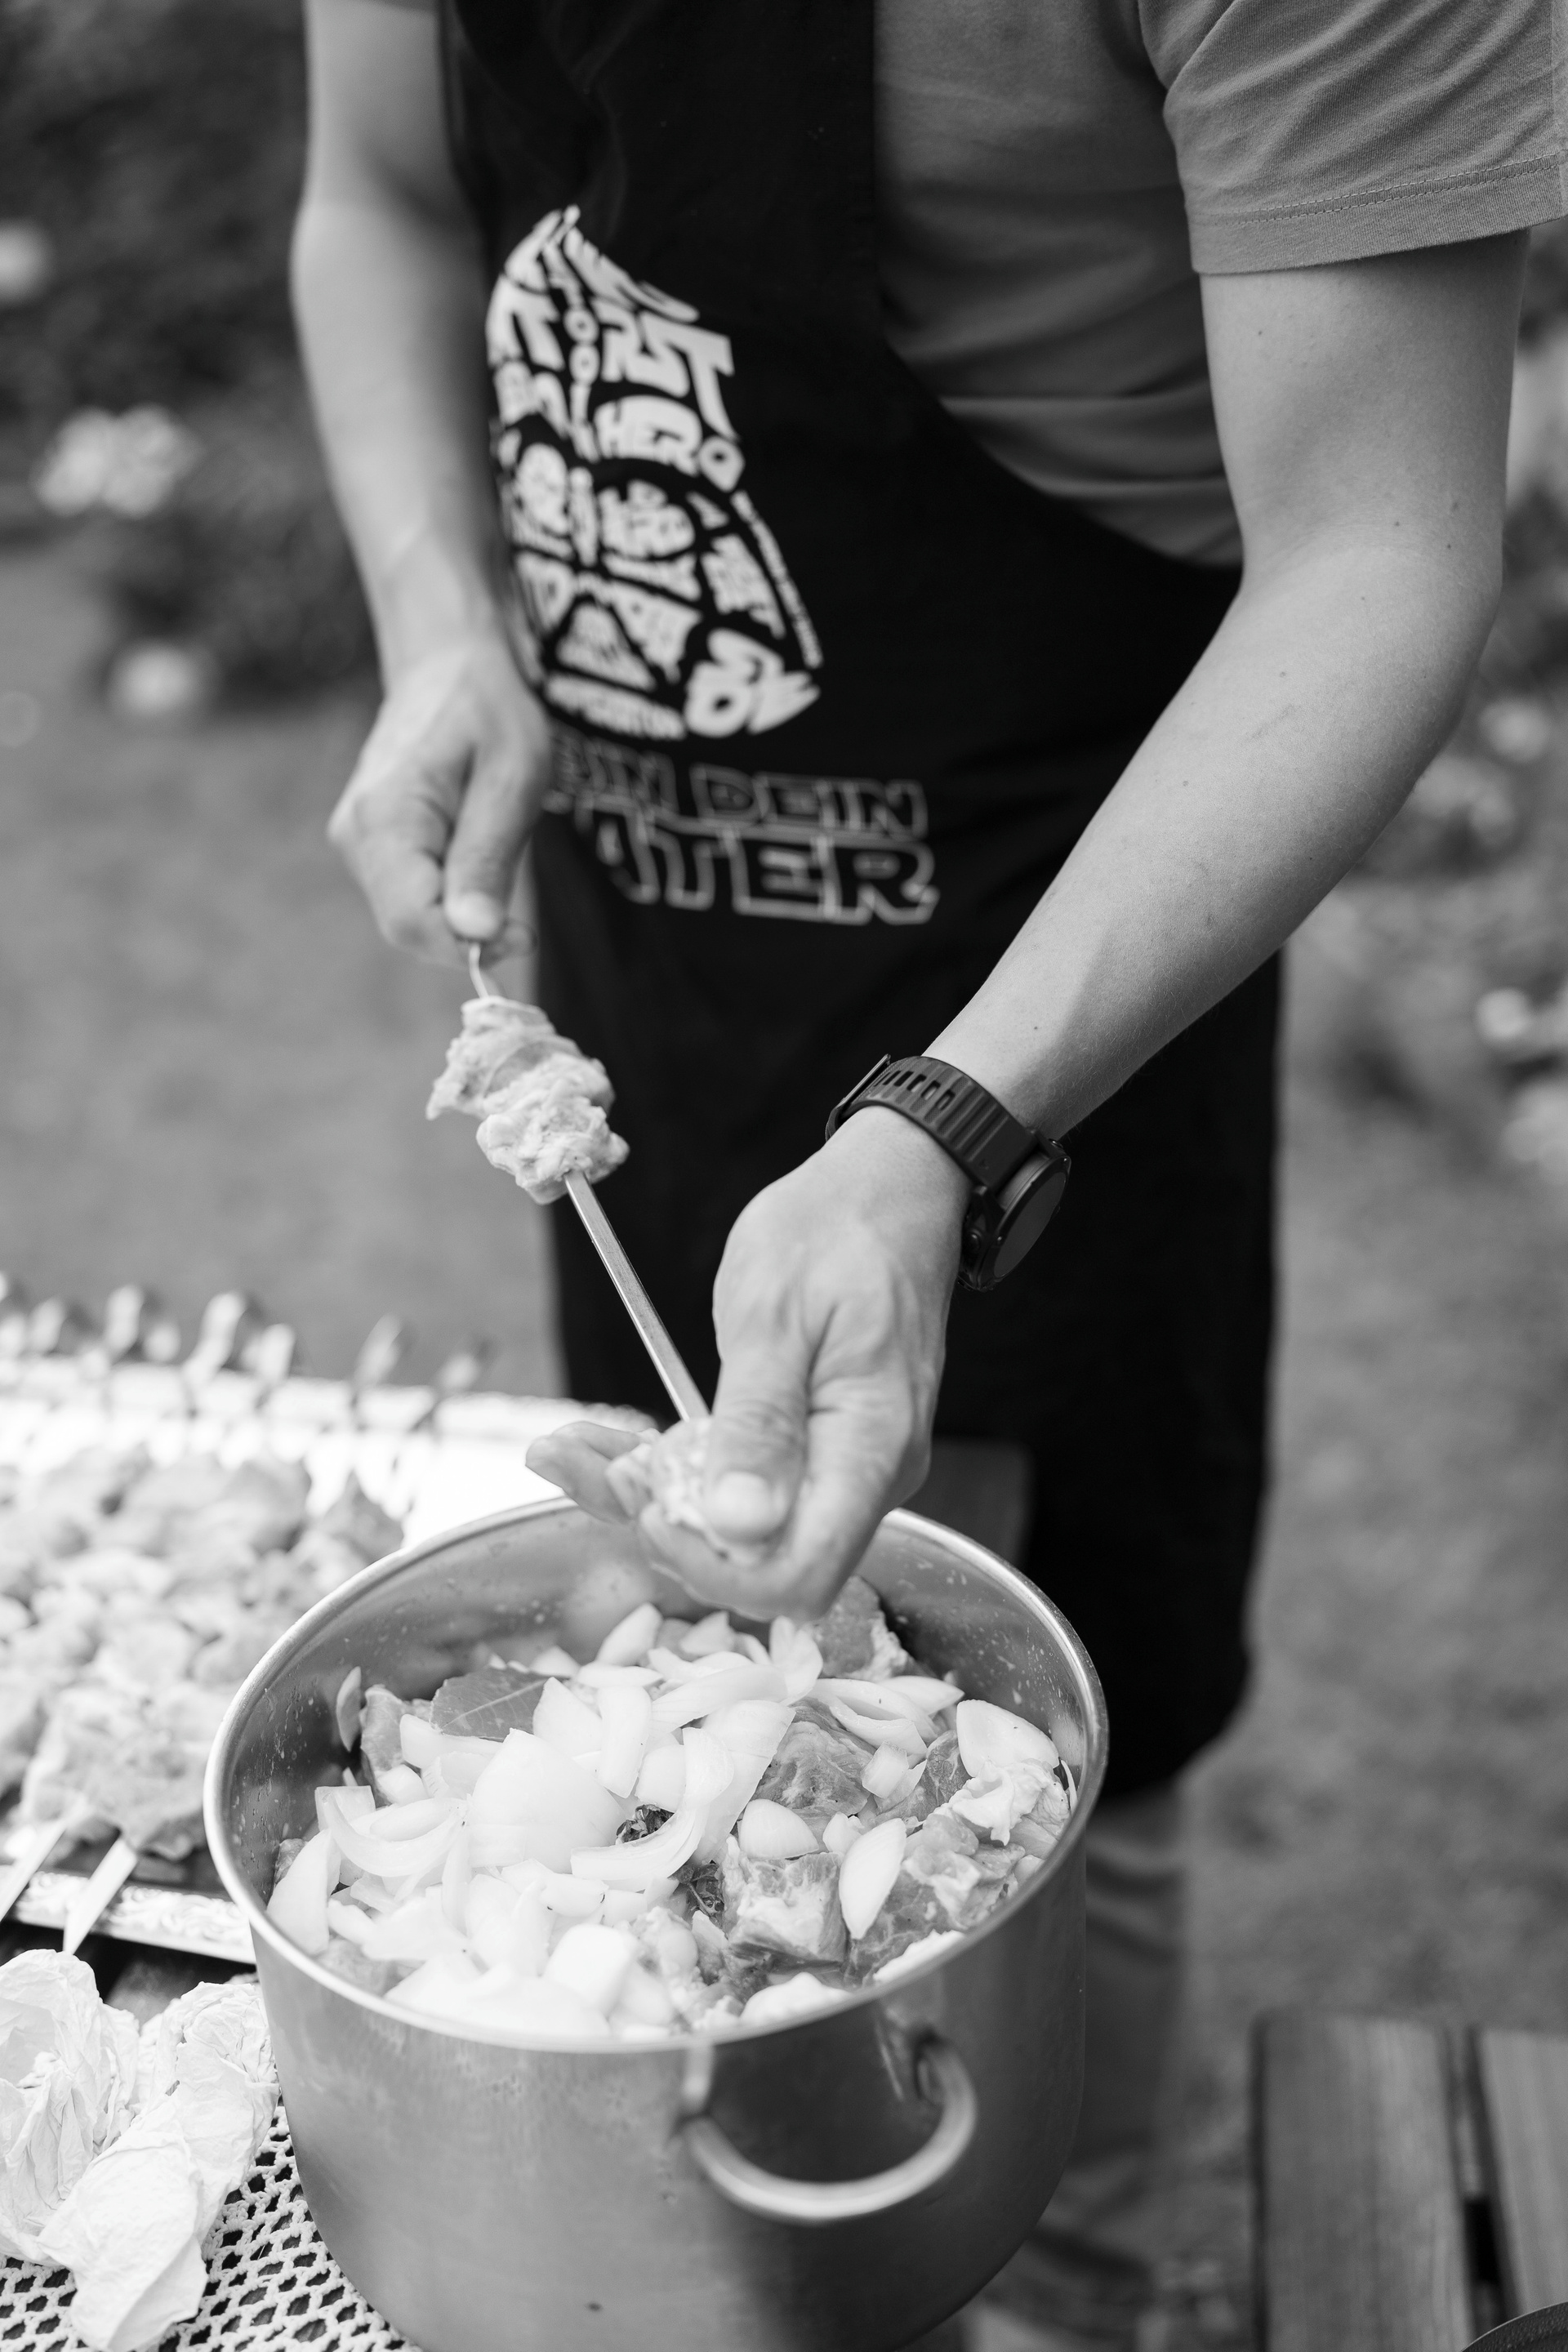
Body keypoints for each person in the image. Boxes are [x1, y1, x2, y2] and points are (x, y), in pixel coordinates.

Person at [294, 3, 1558, 2342]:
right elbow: (377, 199)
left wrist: (953, 1125)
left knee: (1063, 1734)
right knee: (695, 1661)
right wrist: (445, 618)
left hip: (1075, 915)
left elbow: (1381, 553)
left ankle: (1061, 2285)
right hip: (651, 926)